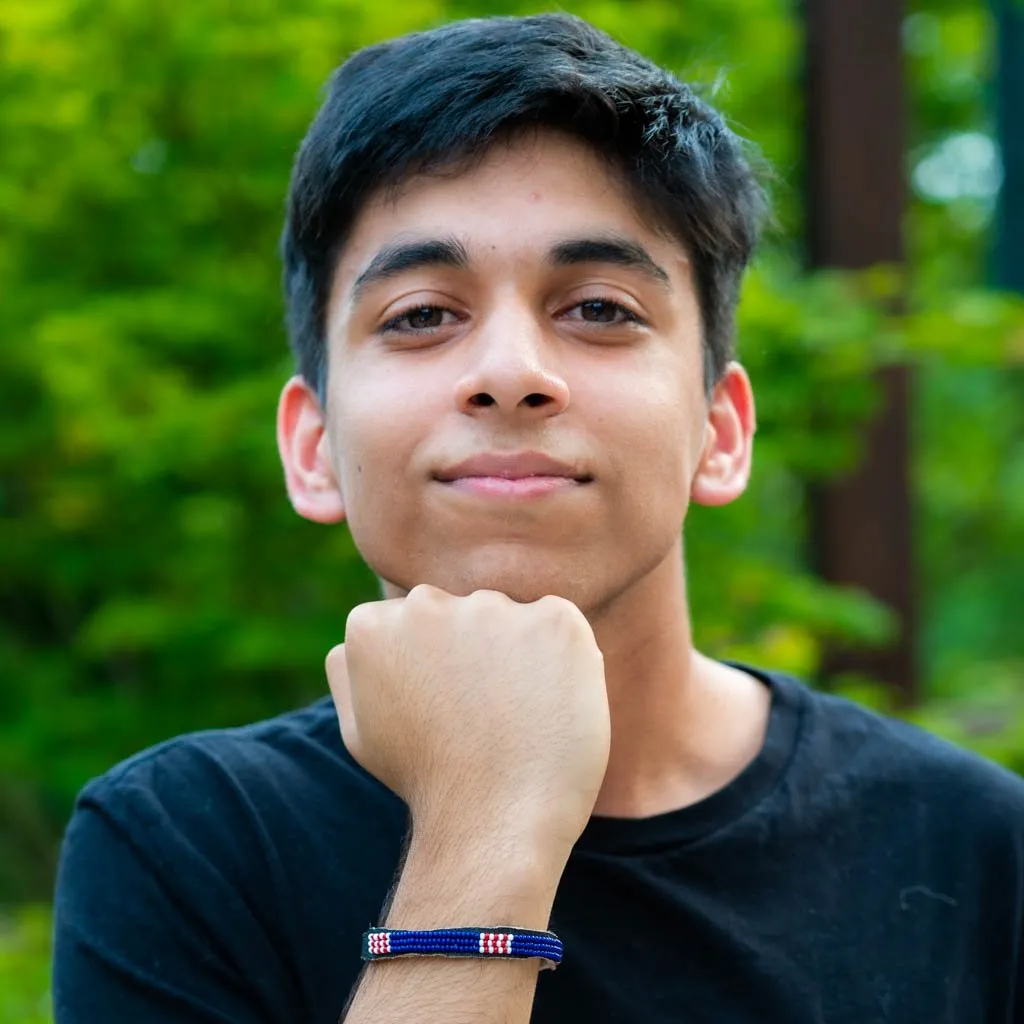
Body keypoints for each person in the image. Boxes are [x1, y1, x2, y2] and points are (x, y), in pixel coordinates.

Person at [52, 13, 1024, 1023]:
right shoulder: (184, 845)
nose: (510, 373)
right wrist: (484, 820)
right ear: (312, 446)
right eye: (421, 314)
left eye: (599, 308)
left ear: (720, 430)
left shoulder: (980, 850)